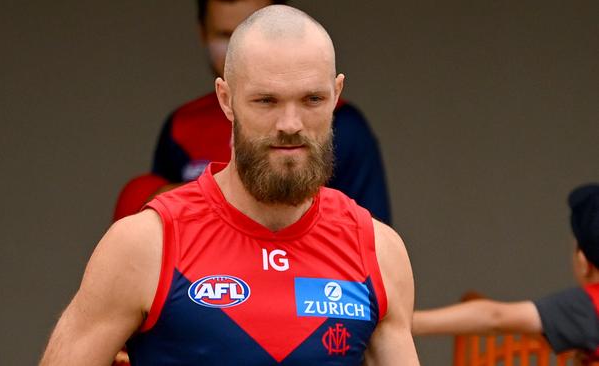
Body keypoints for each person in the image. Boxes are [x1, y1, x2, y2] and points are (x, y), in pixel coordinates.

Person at [41, 5, 418, 365]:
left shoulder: (378, 250)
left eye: (312, 99)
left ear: (336, 95)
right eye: (266, 101)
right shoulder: (146, 245)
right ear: (226, 99)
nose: (290, 123)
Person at [113, 0, 392, 224]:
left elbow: (369, 240)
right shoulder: (182, 126)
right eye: (225, 35)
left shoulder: (342, 123)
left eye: (313, 100)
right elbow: (155, 222)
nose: (289, 125)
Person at [413, 184, 599, 359]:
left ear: (583, 261)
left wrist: (410, 323)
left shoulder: (586, 306)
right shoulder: (580, 317)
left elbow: (495, 317)